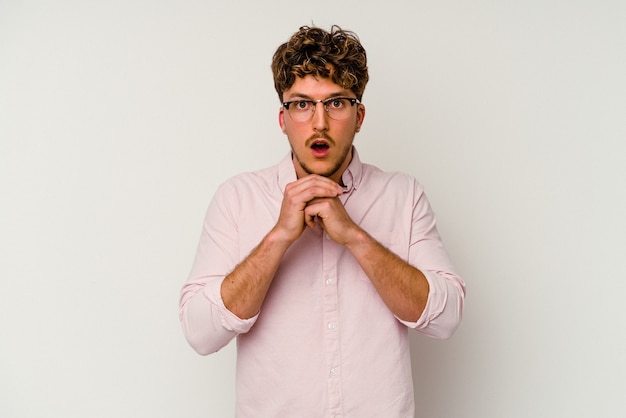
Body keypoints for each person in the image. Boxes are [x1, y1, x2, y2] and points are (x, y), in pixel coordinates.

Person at [179, 25, 465, 418]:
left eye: (335, 103)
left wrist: (355, 237)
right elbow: (200, 333)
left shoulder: (403, 195)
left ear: (359, 115)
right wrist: (278, 238)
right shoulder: (237, 198)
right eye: (302, 105)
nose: (319, 123)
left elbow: (446, 319)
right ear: (282, 118)